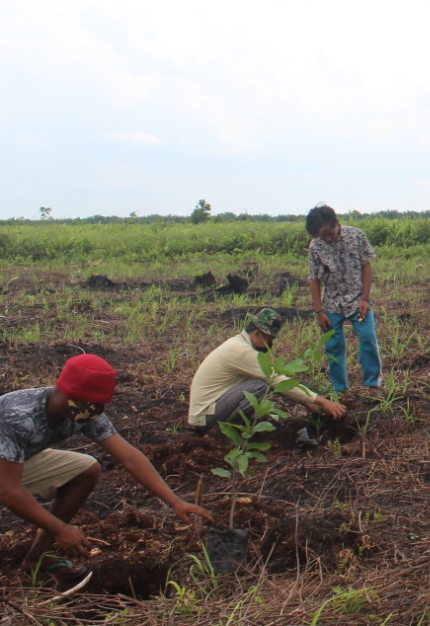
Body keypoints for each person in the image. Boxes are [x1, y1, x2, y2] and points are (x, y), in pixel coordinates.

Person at [0, 355, 214, 581]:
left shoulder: (83, 410)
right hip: (6, 475)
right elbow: (8, 490)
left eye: (101, 405)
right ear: (71, 396)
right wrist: (60, 529)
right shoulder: (18, 416)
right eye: (94, 405)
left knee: (85, 469)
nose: (97, 412)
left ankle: (35, 560)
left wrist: (175, 501)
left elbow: (129, 456)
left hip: (13, 462)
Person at [188, 308, 348, 435]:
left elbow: (275, 382)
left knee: (260, 383)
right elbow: (276, 380)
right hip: (205, 418)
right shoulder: (242, 351)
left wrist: (306, 402)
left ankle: (232, 429)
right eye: (269, 341)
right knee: (259, 386)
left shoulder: (237, 344)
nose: (269, 346)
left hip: (205, 413)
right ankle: (228, 433)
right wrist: (322, 401)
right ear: (258, 333)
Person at [306, 204, 382, 395]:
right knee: (333, 346)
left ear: (337, 223)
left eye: (329, 233)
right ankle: (340, 390)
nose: (327, 239)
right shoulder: (316, 246)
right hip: (331, 303)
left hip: (358, 301)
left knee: (367, 339)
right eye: (322, 236)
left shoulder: (356, 236)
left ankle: (373, 385)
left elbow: (366, 267)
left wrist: (365, 299)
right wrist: (319, 311)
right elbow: (314, 280)